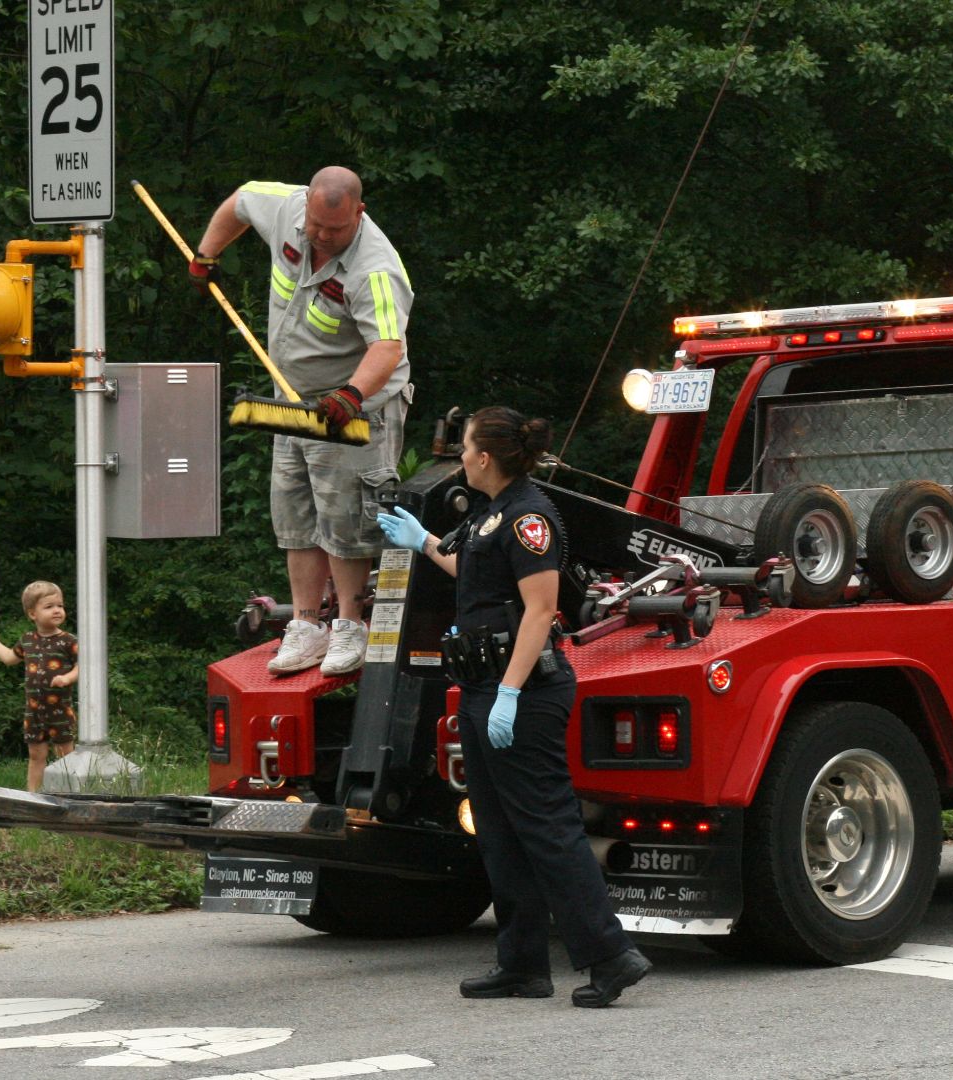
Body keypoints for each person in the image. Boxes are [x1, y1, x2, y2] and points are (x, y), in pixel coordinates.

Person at [377, 406, 652, 1009]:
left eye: (465, 447)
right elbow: (475, 574)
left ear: (484, 458)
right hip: (483, 687)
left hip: (521, 693)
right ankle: (523, 964)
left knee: (549, 829)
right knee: (499, 832)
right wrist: (423, 542)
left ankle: (611, 956)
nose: (458, 457)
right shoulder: (488, 513)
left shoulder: (530, 517)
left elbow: (539, 609)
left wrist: (509, 693)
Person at [191, 165, 415, 677]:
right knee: (295, 517)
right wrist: (207, 254)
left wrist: (353, 395)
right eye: (315, 224)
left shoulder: (375, 268)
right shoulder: (291, 209)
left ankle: (350, 627)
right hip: (292, 403)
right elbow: (242, 197)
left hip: (354, 410)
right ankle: (307, 626)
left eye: (333, 229)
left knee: (345, 521)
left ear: (358, 213)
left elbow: (386, 347)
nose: (320, 235)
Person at [0, 581, 79, 793]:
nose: (57, 610)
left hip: (60, 710)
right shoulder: (27, 640)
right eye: (49, 606)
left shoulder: (68, 640)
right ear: (32, 614)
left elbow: (83, 665)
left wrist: (68, 678)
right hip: (34, 711)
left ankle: (70, 796)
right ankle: (32, 796)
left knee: (66, 756)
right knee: (36, 756)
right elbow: (10, 658)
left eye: (60, 605)